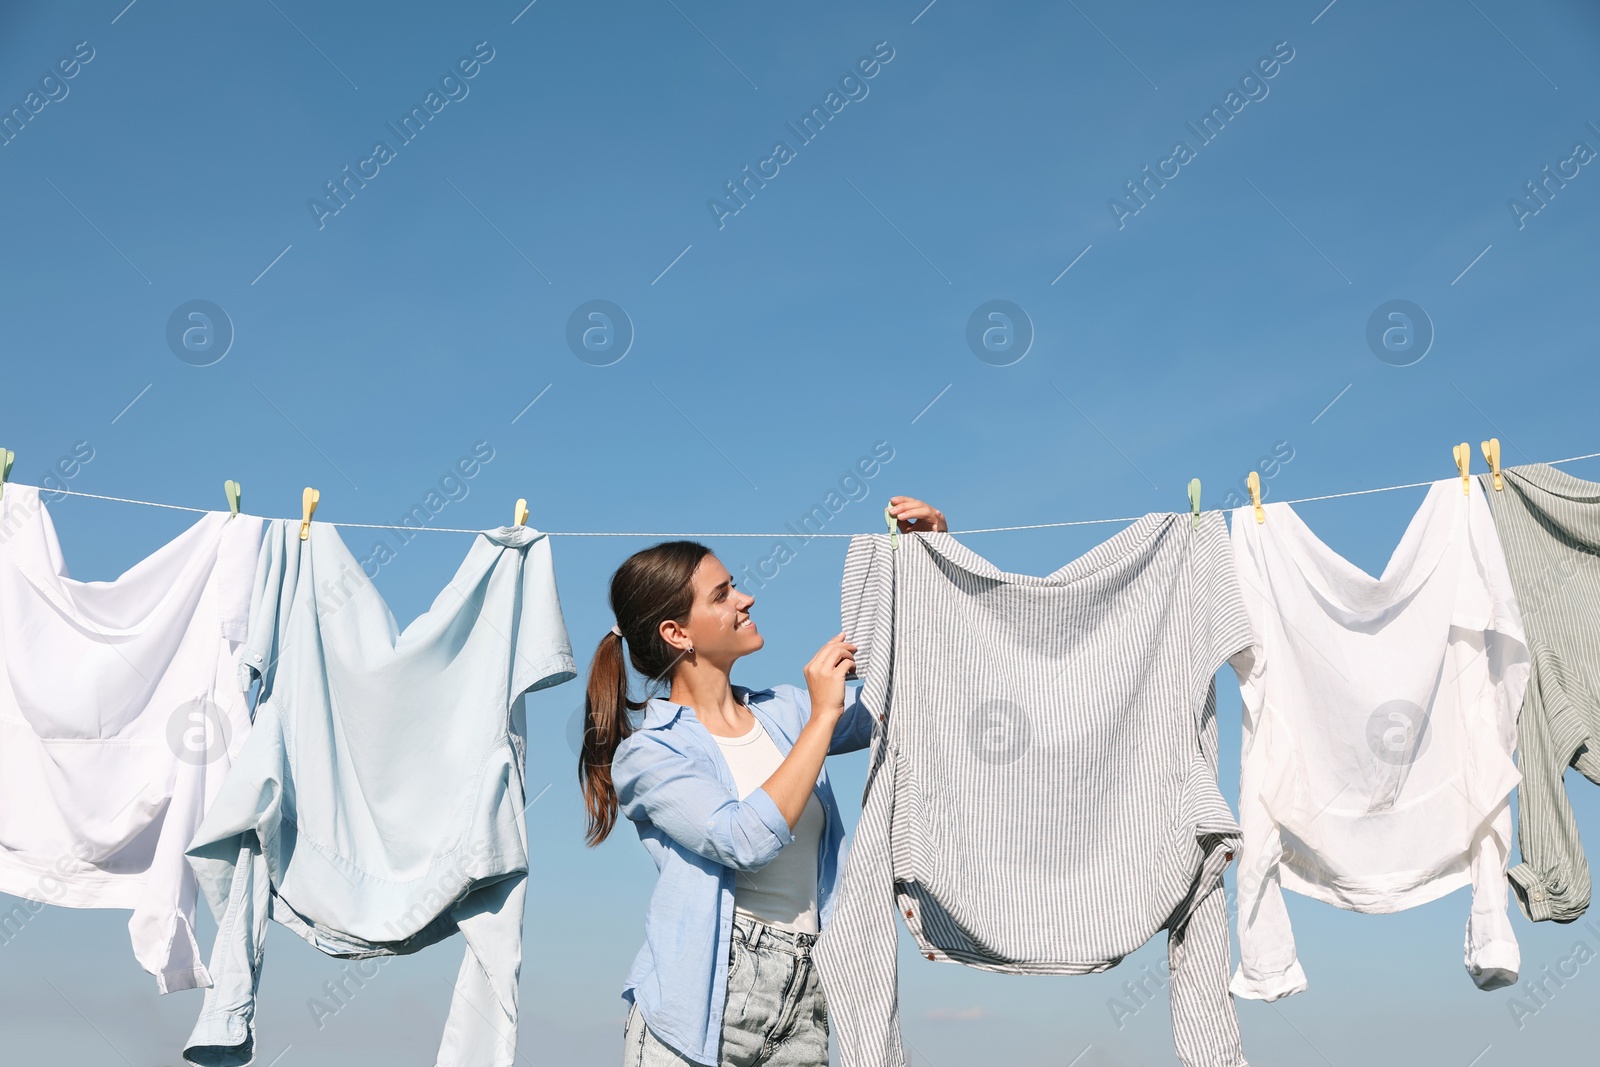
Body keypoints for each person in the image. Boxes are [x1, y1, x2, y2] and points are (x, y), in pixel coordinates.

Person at [580, 497, 949, 1067]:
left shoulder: (786, 711)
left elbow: (911, 698)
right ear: (678, 633)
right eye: (723, 593)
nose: (745, 598)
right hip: (706, 1003)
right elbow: (742, 840)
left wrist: (930, 556)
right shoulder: (651, 753)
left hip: (810, 993)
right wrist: (824, 717)